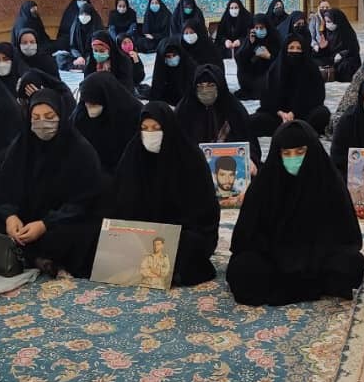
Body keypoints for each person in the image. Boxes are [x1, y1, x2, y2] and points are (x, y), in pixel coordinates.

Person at [226, 121, 364, 305]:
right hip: (273, 259)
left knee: (351, 264)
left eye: (300, 152)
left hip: (318, 260)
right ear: (277, 153)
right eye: (287, 153)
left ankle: (292, 285)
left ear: (312, 150)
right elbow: (246, 237)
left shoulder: (328, 181)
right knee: (242, 269)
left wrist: (312, 256)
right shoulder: (265, 183)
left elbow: (346, 237)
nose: (293, 159)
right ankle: (305, 286)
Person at [0, 89, 103, 278]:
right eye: (35, 118)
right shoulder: (22, 146)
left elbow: (83, 201)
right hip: (26, 220)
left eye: (49, 116)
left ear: (61, 115)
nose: (42, 123)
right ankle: (39, 258)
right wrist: (10, 216)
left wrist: (45, 224)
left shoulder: (80, 150)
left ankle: (35, 257)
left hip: (62, 220)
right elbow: (5, 187)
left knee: (75, 235)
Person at [111, 102, 220, 286]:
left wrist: (167, 231)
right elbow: (121, 200)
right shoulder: (133, 154)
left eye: (156, 128)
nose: (150, 133)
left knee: (188, 246)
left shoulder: (190, 157)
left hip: (181, 231)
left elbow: (204, 211)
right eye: (145, 128)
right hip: (143, 231)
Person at [176, 64, 261, 163]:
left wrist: (251, 160)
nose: (205, 90)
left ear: (220, 85)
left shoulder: (233, 109)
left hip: (230, 164)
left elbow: (250, 142)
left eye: (211, 85)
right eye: (200, 86)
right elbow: (175, 144)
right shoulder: (185, 110)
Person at [250, 34, 330, 136]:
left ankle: (292, 130)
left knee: (322, 113)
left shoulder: (311, 69)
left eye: (298, 48)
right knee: (255, 120)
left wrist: (294, 113)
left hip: (304, 116)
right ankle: (294, 130)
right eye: (291, 48)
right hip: (278, 117)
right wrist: (281, 113)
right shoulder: (275, 70)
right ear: (285, 50)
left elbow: (317, 98)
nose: (295, 51)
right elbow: (266, 99)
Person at [73, 72, 143, 174]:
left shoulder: (132, 114)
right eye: (86, 102)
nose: (88, 106)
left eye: (93, 103)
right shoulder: (81, 113)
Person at [234, 13, 282, 100]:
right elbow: (240, 59)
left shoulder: (275, 39)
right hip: (253, 75)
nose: (259, 30)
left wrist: (269, 56)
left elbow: (282, 61)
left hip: (268, 75)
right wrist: (250, 44)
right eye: (256, 28)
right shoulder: (251, 38)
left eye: (261, 28)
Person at [314, 9, 361, 82]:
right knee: (313, 59)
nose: (327, 24)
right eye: (326, 22)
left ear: (337, 21)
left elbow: (354, 49)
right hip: (332, 58)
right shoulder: (327, 32)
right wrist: (321, 48)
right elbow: (326, 51)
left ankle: (333, 74)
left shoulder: (347, 32)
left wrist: (341, 54)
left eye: (329, 21)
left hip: (346, 58)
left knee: (345, 66)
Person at [149, 37, 196, 106]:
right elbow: (157, 84)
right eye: (168, 56)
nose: (172, 58)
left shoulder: (189, 64)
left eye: (174, 55)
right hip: (169, 97)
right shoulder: (161, 65)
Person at [59, 3, 104, 73]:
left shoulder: (97, 26)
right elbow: (73, 46)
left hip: (92, 55)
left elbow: (99, 46)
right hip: (78, 56)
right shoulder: (76, 26)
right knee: (60, 57)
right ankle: (79, 66)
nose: (83, 17)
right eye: (82, 14)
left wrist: (87, 58)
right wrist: (79, 57)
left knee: (98, 59)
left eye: (86, 14)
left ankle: (79, 66)